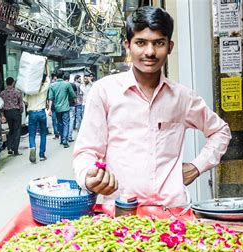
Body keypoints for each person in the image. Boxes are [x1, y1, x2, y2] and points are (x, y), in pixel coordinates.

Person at [73, 6, 231, 206]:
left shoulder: (182, 97)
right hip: (121, 212)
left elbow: (220, 131)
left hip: (172, 211)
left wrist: (197, 166)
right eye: (141, 43)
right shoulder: (104, 91)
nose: (150, 52)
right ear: (128, 45)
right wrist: (89, 177)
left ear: (170, 47)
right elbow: (86, 151)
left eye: (158, 43)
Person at [24, 67, 51, 163]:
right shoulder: (44, 88)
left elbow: (25, 102)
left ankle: (32, 147)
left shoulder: (29, 91)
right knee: (43, 133)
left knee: (32, 134)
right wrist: (46, 64)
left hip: (32, 113)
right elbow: (48, 77)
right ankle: (42, 155)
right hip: (41, 112)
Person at [48, 70, 76, 148]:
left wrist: (49, 109)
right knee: (66, 123)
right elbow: (73, 94)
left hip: (57, 108)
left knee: (59, 123)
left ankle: (61, 139)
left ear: (56, 76)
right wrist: (75, 101)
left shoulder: (52, 85)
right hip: (65, 107)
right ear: (63, 76)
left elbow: (50, 98)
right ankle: (64, 140)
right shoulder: (67, 84)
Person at [0, 77, 24, 156]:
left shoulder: (2, 93)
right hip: (16, 112)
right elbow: (20, 104)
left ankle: (9, 147)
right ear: (13, 83)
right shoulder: (18, 92)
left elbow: (1, 105)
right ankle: (15, 150)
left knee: (11, 130)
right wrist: (21, 111)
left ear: (6, 83)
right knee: (17, 131)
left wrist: (3, 115)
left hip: (7, 113)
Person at [68, 74, 84, 142]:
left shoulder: (71, 84)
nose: (80, 80)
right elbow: (80, 94)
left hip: (72, 103)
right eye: (79, 79)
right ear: (76, 79)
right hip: (78, 102)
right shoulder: (78, 85)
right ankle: (79, 131)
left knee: (72, 118)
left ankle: (71, 133)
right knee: (78, 118)